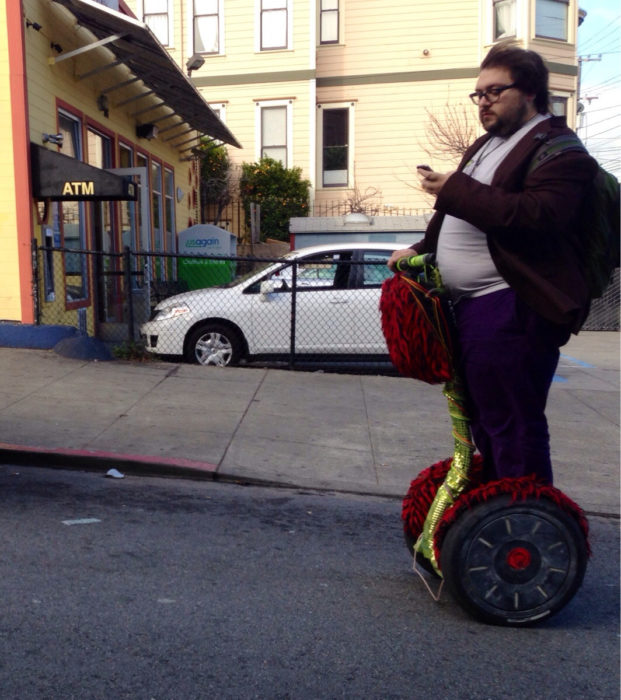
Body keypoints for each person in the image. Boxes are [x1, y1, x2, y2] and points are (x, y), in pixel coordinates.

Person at [388, 42, 598, 485]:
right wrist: (420, 247)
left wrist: (454, 188)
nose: (482, 102)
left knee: (513, 420)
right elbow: (454, 216)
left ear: (530, 93)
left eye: (494, 92)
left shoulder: (562, 150)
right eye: (478, 94)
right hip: (472, 308)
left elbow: (537, 217)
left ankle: (527, 526)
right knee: (485, 416)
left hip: (512, 306)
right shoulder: (485, 146)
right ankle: (502, 509)